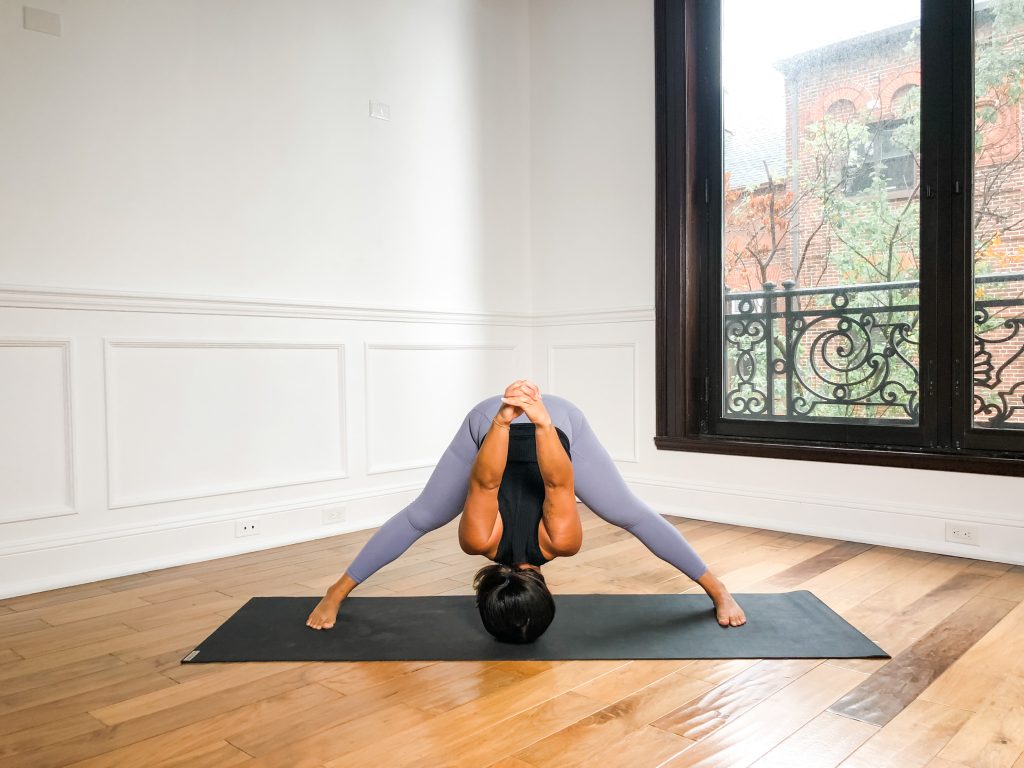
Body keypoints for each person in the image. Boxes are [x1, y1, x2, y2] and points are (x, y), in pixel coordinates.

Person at [306, 380, 746, 642]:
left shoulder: (489, 538)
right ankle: (718, 589)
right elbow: (559, 481)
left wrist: (501, 421)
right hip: (556, 424)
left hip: (490, 427)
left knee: (424, 515)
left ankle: (337, 591)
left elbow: (486, 481)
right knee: (626, 512)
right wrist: (540, 422)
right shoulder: (551, 541)